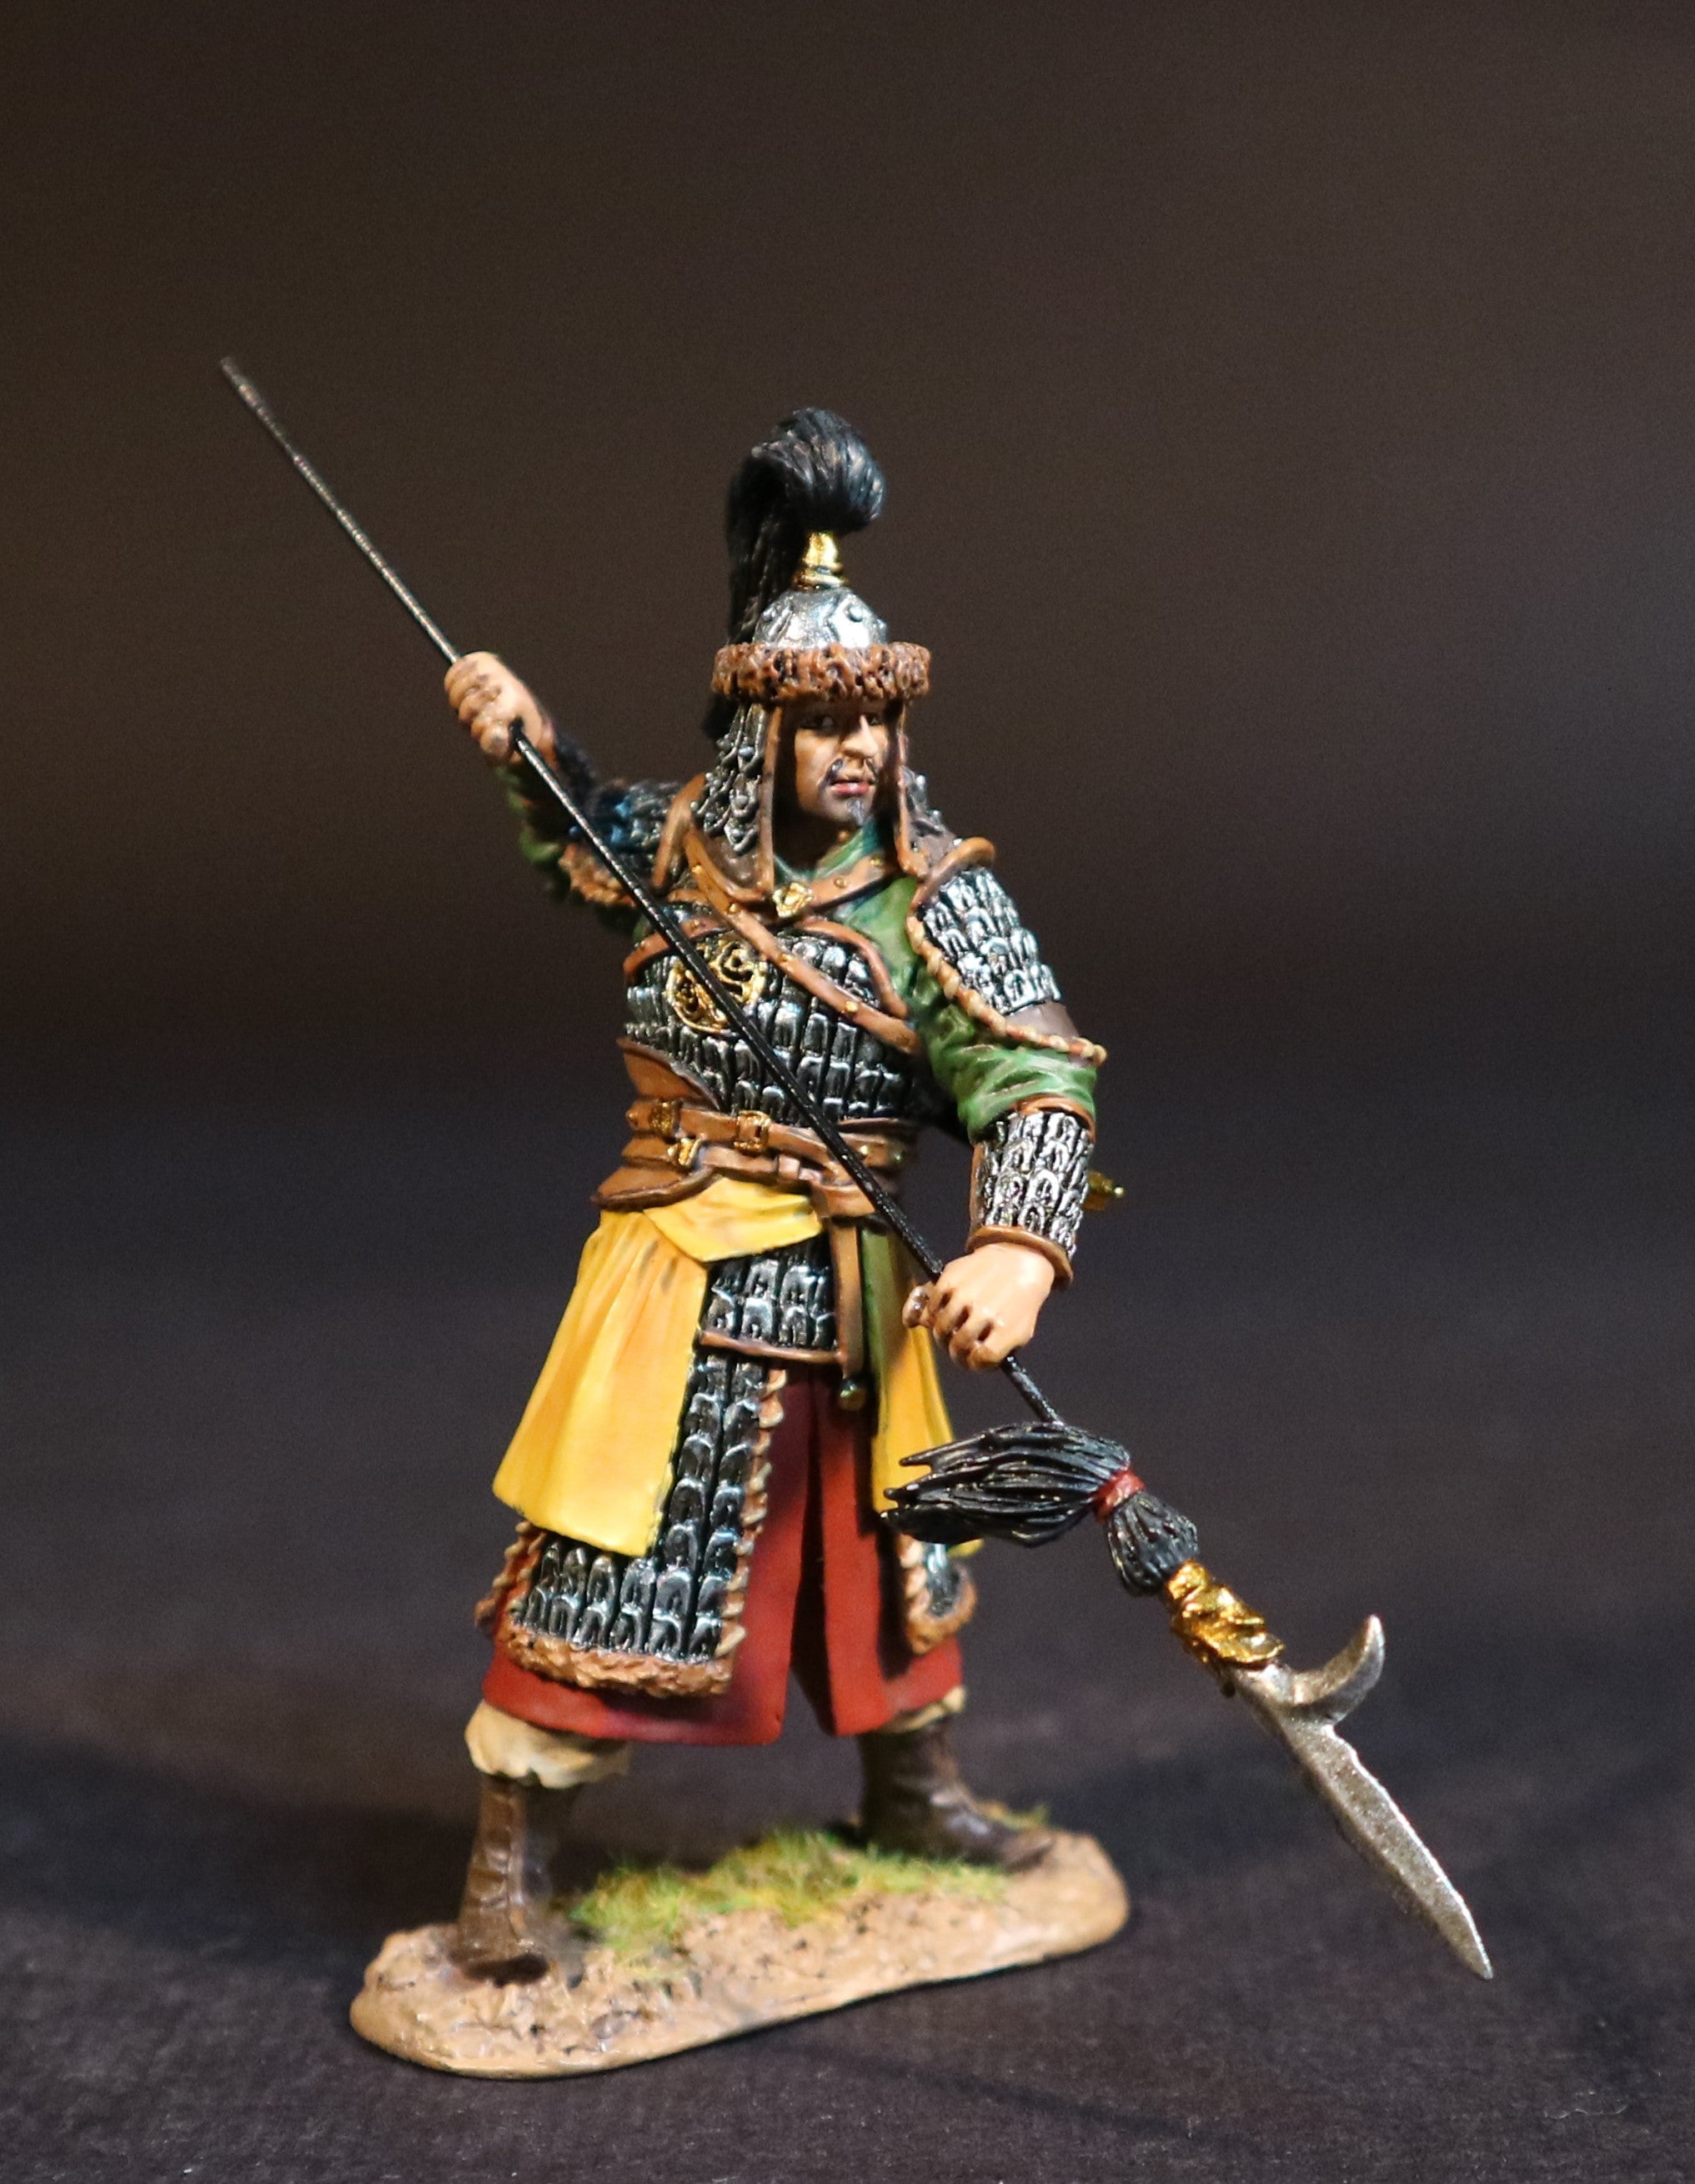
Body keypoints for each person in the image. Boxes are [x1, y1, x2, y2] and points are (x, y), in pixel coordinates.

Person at [444, 410, 1106, 1981]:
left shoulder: (939, 901)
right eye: (820, 723)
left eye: (873, 720)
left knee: (893, 1561)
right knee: (613, 1555)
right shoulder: (680, 851)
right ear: (762, 734)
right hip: (677, 1278)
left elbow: (1038, 1078)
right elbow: (582, 834)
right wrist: (525, 739)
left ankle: (912, 1797)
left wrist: (1018, 1248)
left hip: (860, 1296)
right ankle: (507, 1862)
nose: (855, 749)